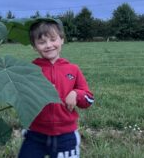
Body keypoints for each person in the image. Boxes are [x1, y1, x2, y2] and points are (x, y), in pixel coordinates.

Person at [18, 19, 94, 158]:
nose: (48, 45)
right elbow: (20, 96)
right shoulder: (29, 70)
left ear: (62, 40)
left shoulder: (73, 69)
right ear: (34, 46)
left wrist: (76, 94)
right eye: (41, 42)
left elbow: (89, 99)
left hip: (66, 136)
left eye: (53, 39)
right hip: (35, 134)